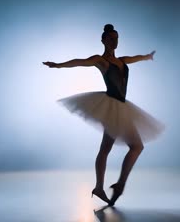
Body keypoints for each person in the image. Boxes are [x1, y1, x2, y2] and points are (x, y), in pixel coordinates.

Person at [43, 24, 165, 206]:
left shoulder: (122, 60)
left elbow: (136, 57)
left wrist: (148, 57)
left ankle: (110, 185)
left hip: (121, 108)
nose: (114, 41)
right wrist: (58, 65)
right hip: (111, 107)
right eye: (111, 38)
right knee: (122, 147)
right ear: (103, 40)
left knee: (122, 147)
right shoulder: (101, 61)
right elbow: (79, 61)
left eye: (116, 38)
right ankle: (110, 186)